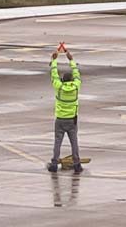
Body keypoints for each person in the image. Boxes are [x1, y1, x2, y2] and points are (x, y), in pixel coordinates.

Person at [47, 45, 82, 174]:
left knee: (57, 143)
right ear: (72, 80)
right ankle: (77, 164)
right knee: (74, 143)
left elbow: (54, 74)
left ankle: (54, 164)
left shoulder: (59, 87)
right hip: (72, 120)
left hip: (60, 119)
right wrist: (71, 59)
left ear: (63, 80)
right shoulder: (76, 86)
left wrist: (54, 60)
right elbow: (77, 74)